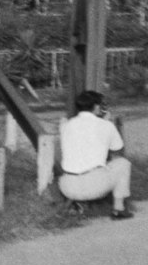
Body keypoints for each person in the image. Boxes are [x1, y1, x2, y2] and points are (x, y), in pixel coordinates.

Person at [57, 90, 132, 220]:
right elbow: (117, 148)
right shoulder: (106, 125)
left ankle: (77, 205)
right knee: (123, 164)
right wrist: (107, 123)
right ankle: (118, 208)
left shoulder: (66, 125)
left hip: (67, 187)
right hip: (94, 187)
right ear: (96, 107)